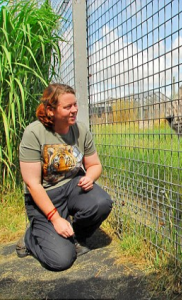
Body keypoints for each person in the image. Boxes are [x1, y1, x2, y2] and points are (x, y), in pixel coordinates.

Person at [16, 83, 113, 271]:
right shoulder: (34, 133)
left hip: (72, 187)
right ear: (51, 110)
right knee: (61, 261)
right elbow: (32, 184)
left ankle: (75, 237)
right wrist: (55, 219)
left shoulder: (81, 130)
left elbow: (94, 165)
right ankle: (31, 238)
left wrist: (90, 177)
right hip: (44, 196)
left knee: (102, 203)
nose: (74, 110)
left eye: (75, 104)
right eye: (68, 107)